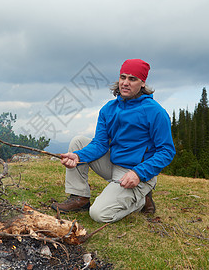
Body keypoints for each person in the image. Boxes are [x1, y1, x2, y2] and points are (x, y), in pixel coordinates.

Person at [51, 59, 176, 223]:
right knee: (78, 142)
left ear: (143, 83)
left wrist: (139, 174)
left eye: (132, 79)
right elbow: (100, 144)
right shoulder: (108, 109)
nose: (125, 83)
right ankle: (79, 198)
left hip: (137, 173)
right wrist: (79, 157)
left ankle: (141, 199)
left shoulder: (156, 112)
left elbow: (166, 151)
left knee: (99, 214)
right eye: (123, 77)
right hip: (112, 164)